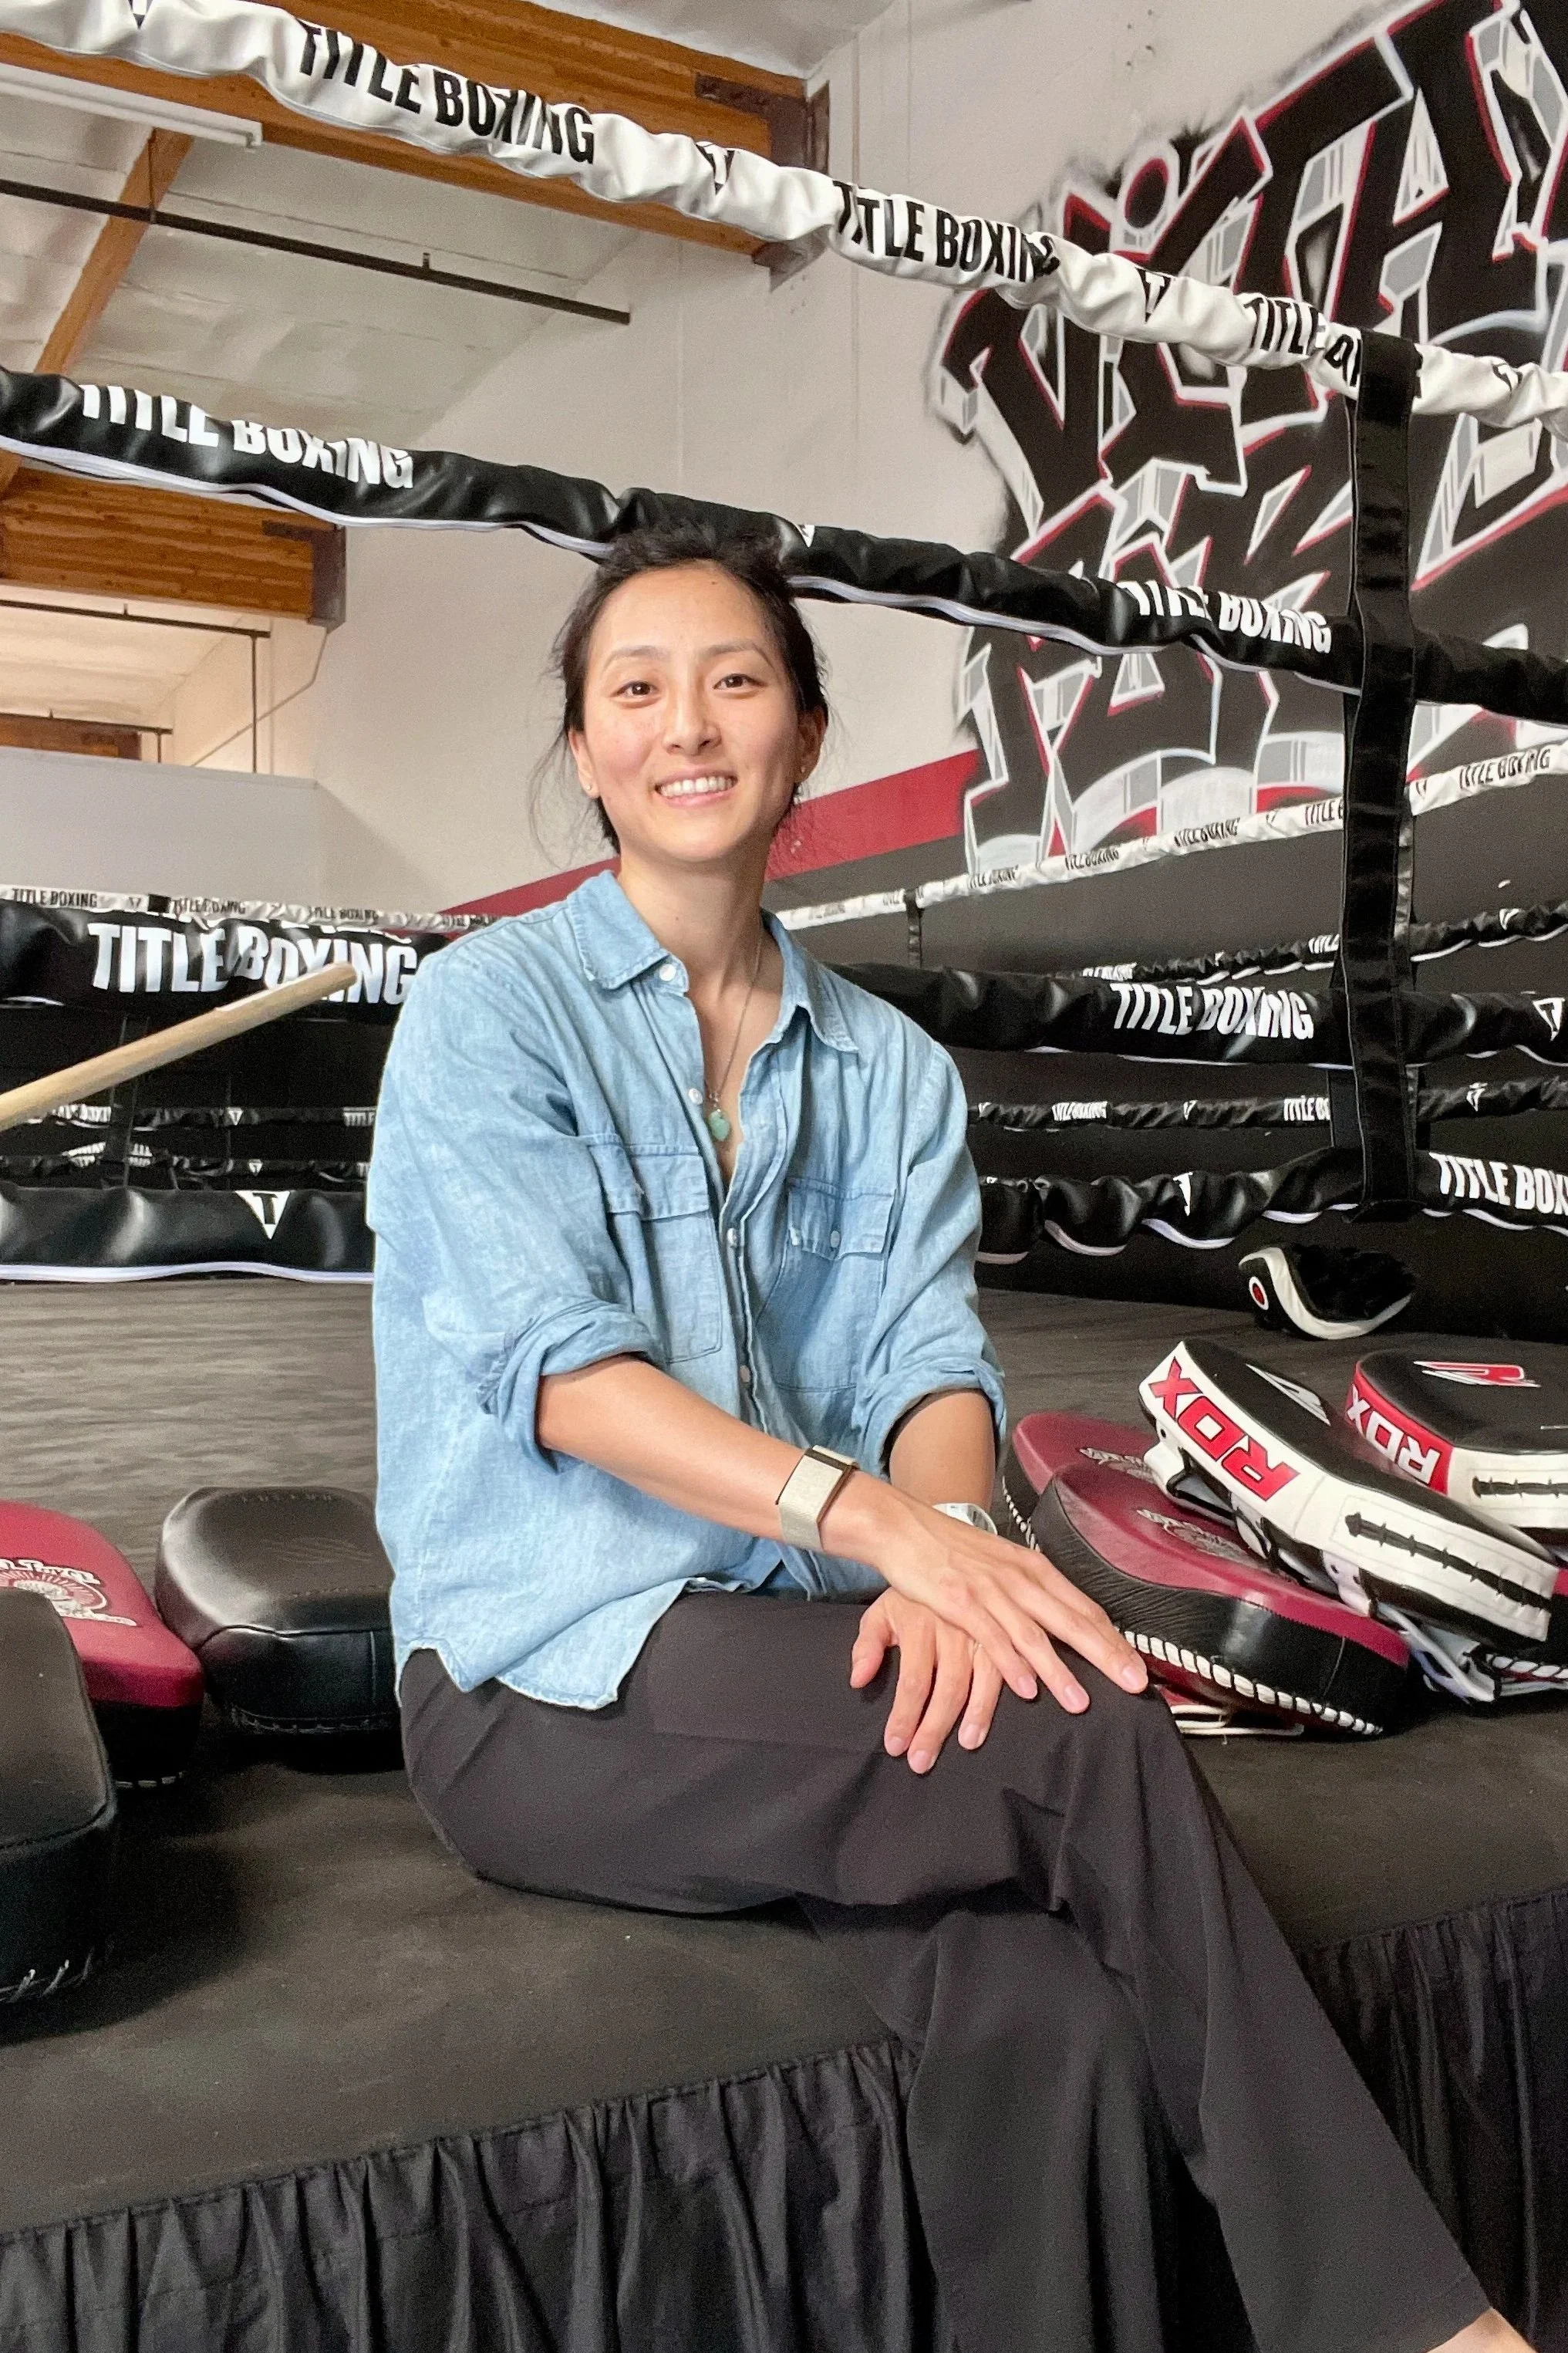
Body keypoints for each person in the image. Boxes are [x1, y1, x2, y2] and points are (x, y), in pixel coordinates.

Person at [368, 518, 1526, 2353]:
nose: (690, 724)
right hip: (545, 1681)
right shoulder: (485, 1016)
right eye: (637, 689)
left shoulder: (890, 1070)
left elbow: (926, 1363)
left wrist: (950, 1547)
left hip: (800, 1648)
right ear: (584, 751)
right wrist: (883, 1533)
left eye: (735, 680)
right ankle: (1403, 2326)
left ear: (803, 735)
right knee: (1085, 1733)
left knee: (1044, 2007)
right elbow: (564, 1377)